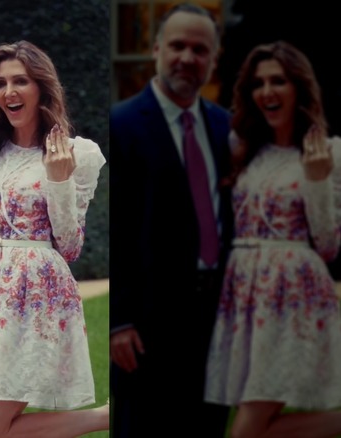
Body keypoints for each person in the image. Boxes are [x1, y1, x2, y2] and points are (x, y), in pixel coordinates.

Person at [0, 40, 109, 438]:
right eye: (1, 84)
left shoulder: (77, 153)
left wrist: (58, 179)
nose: (9, 92)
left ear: (42, 87)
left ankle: (106, 417)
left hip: (35, 295)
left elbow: (69, 247)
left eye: (21, 81)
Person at [204, 40, 341, 438]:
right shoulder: (243, 149)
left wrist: (317, 179)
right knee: (255, 424)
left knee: (247, 426)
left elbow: (329, 245)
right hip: (243, 295)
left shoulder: (330, 153)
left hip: (294, 294)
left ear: (298, 87)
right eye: (258, 83)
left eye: (278, 81)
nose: (267, 92)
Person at [109, 3, 233, 436]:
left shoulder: (227, 129)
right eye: (177, 45)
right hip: (146, 323)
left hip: (216, 315)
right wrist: (118, 319)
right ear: (157, 48)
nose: (187, 57)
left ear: (213, 61)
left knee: (207, 424)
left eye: (200, 50)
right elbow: (115, 227)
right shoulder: (119, 125)